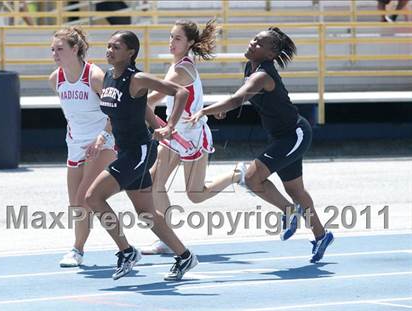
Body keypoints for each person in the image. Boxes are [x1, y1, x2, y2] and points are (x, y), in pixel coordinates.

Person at [188, 27, 334, 263]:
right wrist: (222, 109)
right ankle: (322, 235)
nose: (252, 43)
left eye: (259, 43)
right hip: (281, 137)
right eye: (253, 38)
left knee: (251, 178)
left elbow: (237, 99)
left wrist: (207, 110)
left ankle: (289, 212)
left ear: (270, 54)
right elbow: (241, 96)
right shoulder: (251, 67)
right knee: (295, 190)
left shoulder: (263, 74)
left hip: (293, 135)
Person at [84, 30, 198, 281]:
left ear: (130, 52)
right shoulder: (109, 78)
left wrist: (168, 126)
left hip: (140, 151)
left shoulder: (137, 78)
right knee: (147, 214)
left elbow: (181, 92)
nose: (109, 50)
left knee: (93, 197)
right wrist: (104, 136)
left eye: (116, 47)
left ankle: (126, 251)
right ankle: (185, 256)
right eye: (108, 45)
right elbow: (134, 107)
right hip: (126, 150)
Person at [140, 18, 246, 255]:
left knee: (195, 194)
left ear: (189, 43)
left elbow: (152, 98)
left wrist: (121, 109)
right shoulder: (176, 65)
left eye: (177, 38)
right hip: (174, 135)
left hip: (193, 137)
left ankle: (238, 174)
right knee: (153, 185)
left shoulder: (182, 69)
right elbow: (185, 99)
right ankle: (168, 240)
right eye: (170, 36)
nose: (171, 42)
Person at [49, 26, 117, 267]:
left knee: (85, 199)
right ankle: (81, 250)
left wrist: (102, 135)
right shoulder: (55, 79)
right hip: (75, 144)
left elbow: (115, 112)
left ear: (75, 49)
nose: (54, 54)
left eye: (60, 49)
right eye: (52, 50)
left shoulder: (95, 76)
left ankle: (80, 249)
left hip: (102, 142)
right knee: (76, 204)